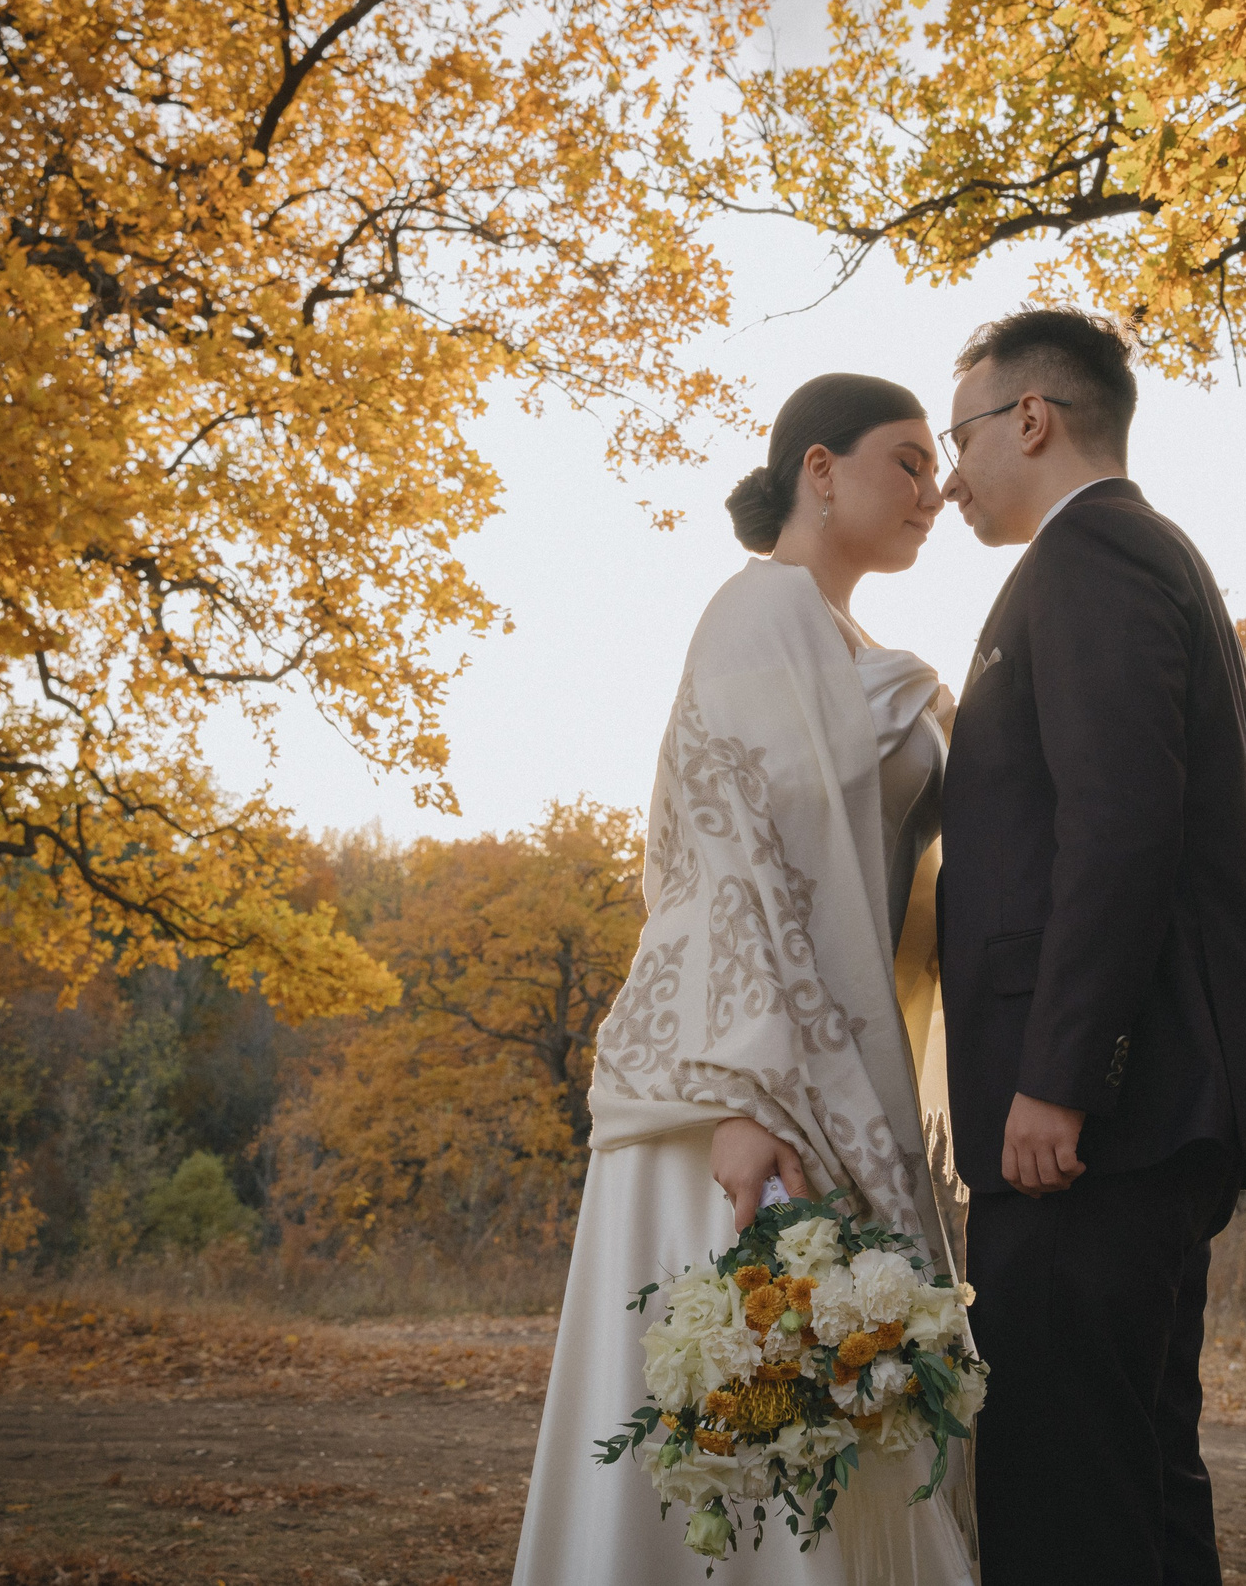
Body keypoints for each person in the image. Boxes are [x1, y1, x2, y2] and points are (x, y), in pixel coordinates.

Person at [510, 374, 976, 1586]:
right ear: (819, 470)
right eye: (908, 462)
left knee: (830, 1417)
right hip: (742, 1091)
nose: (935, 490)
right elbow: (731, 865)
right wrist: (746, 1098)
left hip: (819, 1059)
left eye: (937, 466)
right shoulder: (759, 610)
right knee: (746, 1426)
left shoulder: (846, 636)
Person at [933, 309, 1246, 1586]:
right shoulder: (1134, 558)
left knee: (1066, 1483)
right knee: (1131, 1471)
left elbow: (1121, 826)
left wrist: (1059, 1075)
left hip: (1098, 1122)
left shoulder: (1095, 561)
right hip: (1136, 1115)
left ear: (1031, 416)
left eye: (959, 434)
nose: (952, 471)